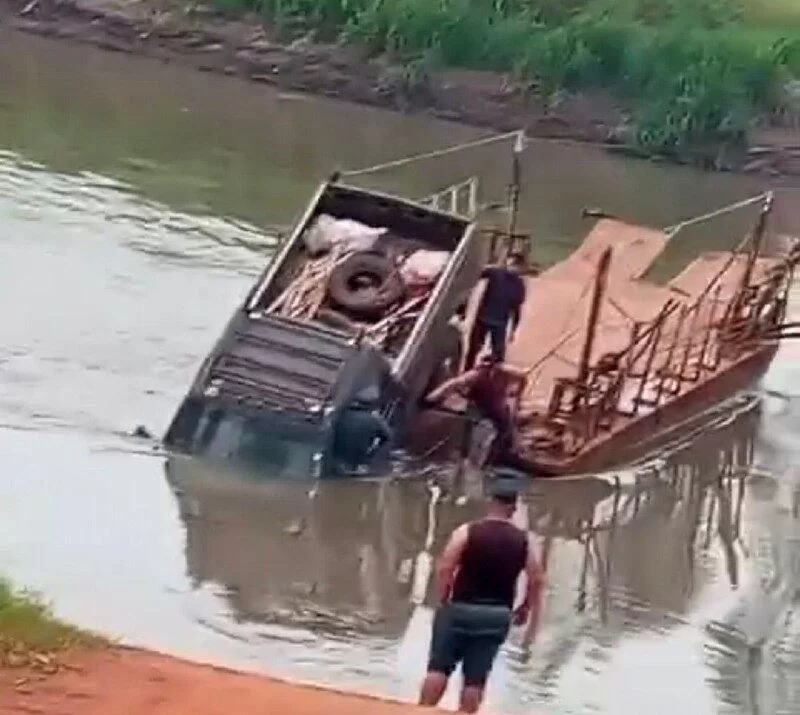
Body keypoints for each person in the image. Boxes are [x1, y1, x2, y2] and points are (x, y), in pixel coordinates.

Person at [419, 476, 544, 713]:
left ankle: (422, 711)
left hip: (459, 607)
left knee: (438, 669)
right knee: (475, 679)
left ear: (490, 502)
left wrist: (444, 597)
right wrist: (525, 607)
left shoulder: (467, 531)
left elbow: (446, 566)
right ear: (514, 507)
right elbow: (536, 579)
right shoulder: (525, 540)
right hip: (496, 615)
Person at [425, 355, 528, 466]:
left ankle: (506, 451)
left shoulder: (505, 372)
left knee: (507, 425)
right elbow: (452, 384)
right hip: (479, 405)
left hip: (497, 406)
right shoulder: (474, 375)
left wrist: (518, 395)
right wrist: (431, 398)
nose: (487, 371)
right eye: (483, 368)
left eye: (489, 368)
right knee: (471, 428)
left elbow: (523, 376)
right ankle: (469, 455)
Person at [464, 252, 527, 371]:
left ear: (520, 268)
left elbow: (516, 309)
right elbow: (479, 272)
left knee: (498, 355)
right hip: (483, 319)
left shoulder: (519, 285)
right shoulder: (495, 273)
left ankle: (493, 377)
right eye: (510, 263)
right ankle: (466, 372)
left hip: (500, 323)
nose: (512, 266)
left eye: (515, 265)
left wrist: (513, 329)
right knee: (473, 349)